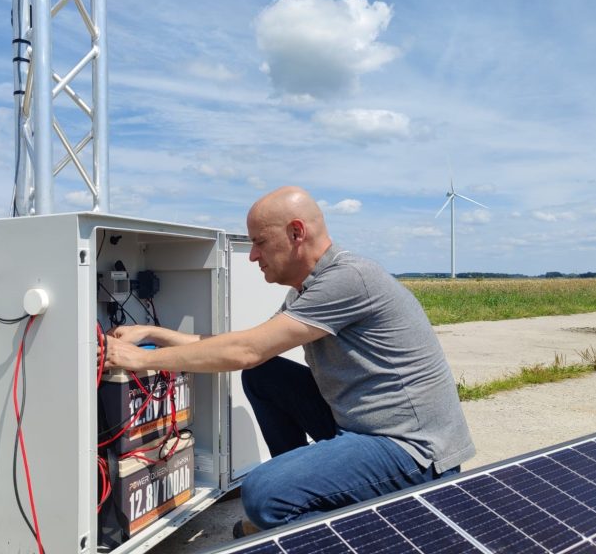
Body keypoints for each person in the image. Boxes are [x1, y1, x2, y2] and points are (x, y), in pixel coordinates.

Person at [101, 185, 475, 537]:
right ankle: (299, 494)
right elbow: (249, 347)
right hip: (362, 425)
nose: (252, 256)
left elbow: (245, 349)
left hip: (413, 450)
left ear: (296, 233)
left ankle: (298, 515)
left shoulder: (349, 279)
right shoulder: (309, 288)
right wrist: (154, 334)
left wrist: (134, 359)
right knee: (263, 374)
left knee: (263, 494)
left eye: (260, 242)